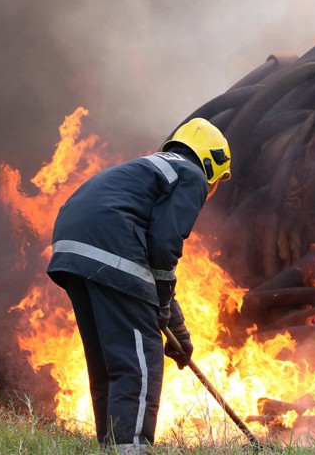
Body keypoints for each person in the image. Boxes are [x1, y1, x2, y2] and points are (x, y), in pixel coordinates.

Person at [46, 118, 232, 454]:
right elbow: (163, 245)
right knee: (139, 362)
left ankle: (111, 445)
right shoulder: (191, 174)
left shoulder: (150, 168)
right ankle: (131, 448)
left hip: (72, 251)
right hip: (110, 246)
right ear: (211, 164)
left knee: (108, 362)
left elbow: (150, 273)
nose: (213, 188)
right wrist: (159, 311)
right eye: (217, 181)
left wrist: (177, 329)